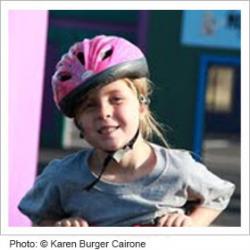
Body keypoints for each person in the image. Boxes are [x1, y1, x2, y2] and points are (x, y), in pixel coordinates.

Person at [18, 35, 235, 227]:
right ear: (78, 122)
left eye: (116, 99)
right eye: (89, 105)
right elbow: (38, 218)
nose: (104, 113)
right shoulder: (61, 177)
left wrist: (191, 224)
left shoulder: (181, 170)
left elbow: (218, 196)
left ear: (142, 105)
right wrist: (58, 228)